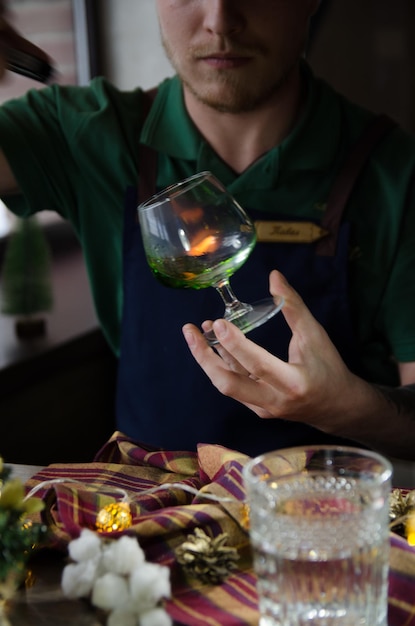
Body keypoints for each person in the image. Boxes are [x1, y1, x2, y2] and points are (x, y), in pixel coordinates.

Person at [0, 1, 415, 458]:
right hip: (141, 521)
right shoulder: (87, 133)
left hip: (321, 520)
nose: (220, 20)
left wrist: (343, 408)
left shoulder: (396, 175)